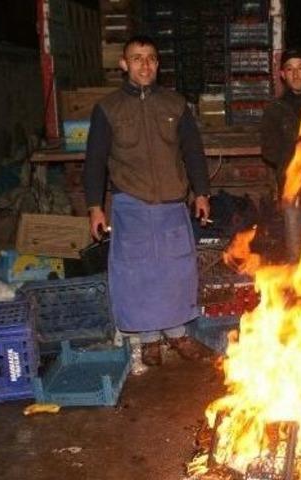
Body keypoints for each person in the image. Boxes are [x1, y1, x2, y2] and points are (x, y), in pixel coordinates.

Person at [83, 35, 214, 367]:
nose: (145, 65)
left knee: (176, 271)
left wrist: (201, 192)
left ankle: (178, 333)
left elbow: (193, 152)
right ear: (124, 64)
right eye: (137, 58)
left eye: (151, 58)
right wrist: (94, 206)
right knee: (138, 273)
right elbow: (95, 160)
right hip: (132, 204)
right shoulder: (108, 108)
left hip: (172, 203)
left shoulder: (175, 105)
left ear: (158, 63)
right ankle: (149, 339)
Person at [260, 47, 301, 262]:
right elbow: (269, 151)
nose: (296, 74)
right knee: (296, 253)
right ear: (282, 74)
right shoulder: (276, 109)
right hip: (292, 190)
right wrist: (295, 157)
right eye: (290, 69)